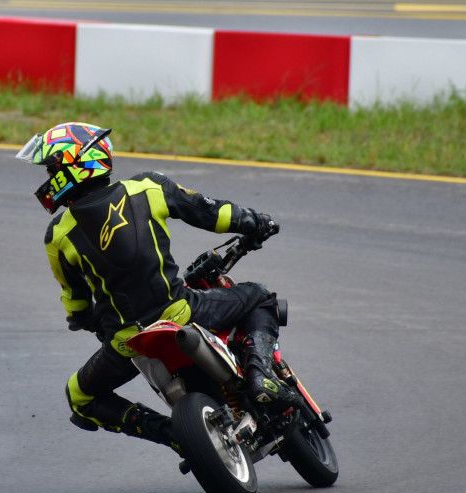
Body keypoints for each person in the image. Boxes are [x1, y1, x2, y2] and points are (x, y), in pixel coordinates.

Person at [16, 121, 302, 450]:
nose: (49, 181)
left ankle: (173, 435)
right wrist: (255, 220)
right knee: (260, 296)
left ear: (74, 164)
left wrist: (84, 320)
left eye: (52, 169)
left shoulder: (57, 236)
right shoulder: (147, 188)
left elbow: (75, 303)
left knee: (79, 396)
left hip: (127, 341)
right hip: (179, 312)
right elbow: (214, 213)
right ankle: (259, 374)